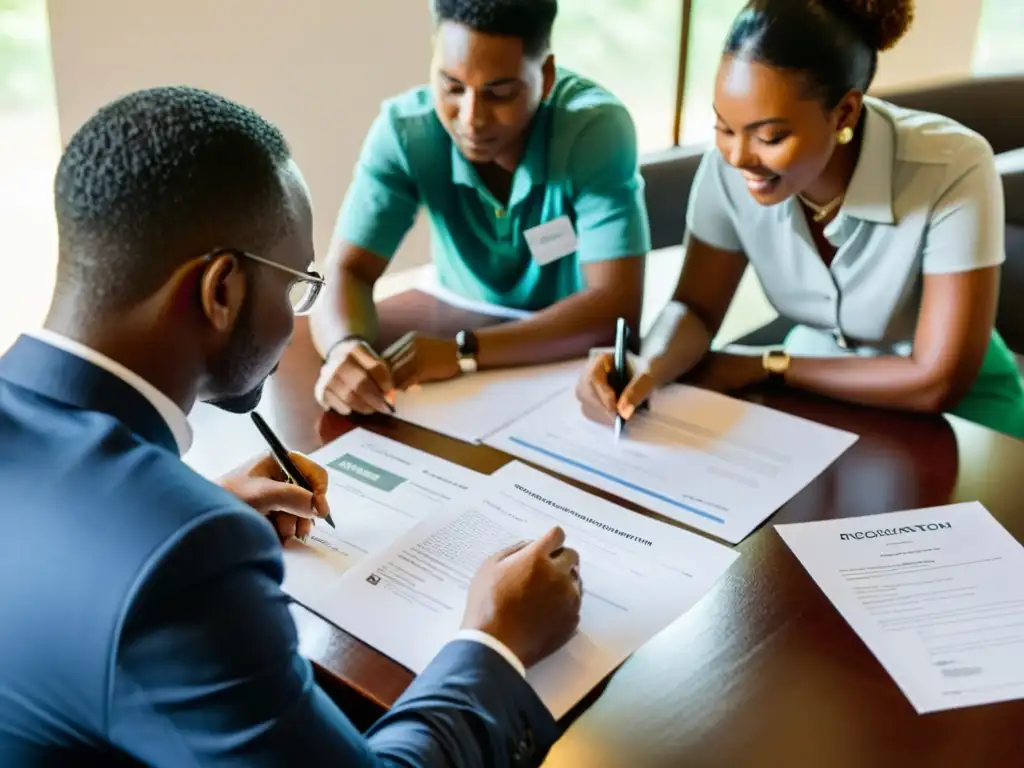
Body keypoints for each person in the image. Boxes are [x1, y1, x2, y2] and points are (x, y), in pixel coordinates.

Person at [0, 86, 582, 767]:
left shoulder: (167, 526)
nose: (297, 318)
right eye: (296, 286)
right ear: (222, 289)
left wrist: (199, 507)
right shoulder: (183, 555)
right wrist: (496, 641)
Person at [577, 0, 1024, 439]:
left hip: (957, 410)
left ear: (845, 112)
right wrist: (645, 367)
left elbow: (935, 381)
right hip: (815, 386)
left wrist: (764, 365)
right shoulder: (727, 170)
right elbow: (694, 308)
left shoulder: (953, 166)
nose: (738, 157)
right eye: (724, 127)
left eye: (771, 136)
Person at [311, 0, 650, 417]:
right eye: (452, 86)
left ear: (545, 77)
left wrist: (462, 352)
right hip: (453, 335)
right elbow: (346, 271)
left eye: (500, 92)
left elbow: (614, 310)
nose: (471, 119)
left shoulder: (593, 130)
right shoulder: (405, 131)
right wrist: (344, 347)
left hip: (565, 364)